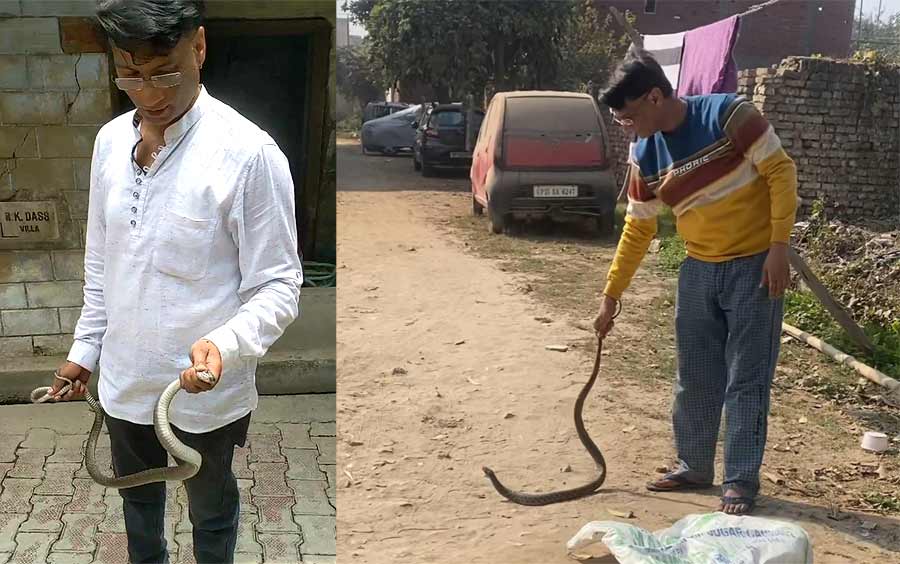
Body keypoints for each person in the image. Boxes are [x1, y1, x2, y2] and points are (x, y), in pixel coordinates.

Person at [47, 1, 303, 562]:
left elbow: (279, 286)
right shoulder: (109, 143)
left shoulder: (248, 155)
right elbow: (102, 263)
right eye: (130, 74)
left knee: (211, 512)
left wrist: (225, 345)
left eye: (164, 71)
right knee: (138, 510)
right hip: (123, 386)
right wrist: (85, 350)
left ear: (200, 48)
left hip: (200, 396)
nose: (148, 92)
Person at [593, 52, 798, 516]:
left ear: (655, 96)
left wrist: (779, 247)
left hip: (755, 267)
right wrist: (611, 295)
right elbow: (638, 228)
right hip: (698, 270)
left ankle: (740, 480)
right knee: (695, 377)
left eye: (627, 116)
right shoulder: (644, 153)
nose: (624, 126)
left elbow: (781, 172)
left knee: (746, 381)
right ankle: (694, 465)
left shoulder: (730, 116)